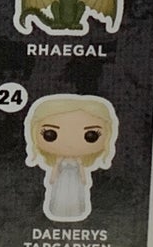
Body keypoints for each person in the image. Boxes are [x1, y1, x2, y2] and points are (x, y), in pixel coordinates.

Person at [22, 92, 118, 224]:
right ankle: (59, 210)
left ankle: (75, 210)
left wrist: (83, 179)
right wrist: (52, 178)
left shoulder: (78, 161)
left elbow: (82, 173)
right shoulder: (59, 160)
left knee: (74, 196)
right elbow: (55, 172)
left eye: (91, 135)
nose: (70, 143)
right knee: (61, 196)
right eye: (50, 134)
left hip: (75, 182)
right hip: (61, 181)